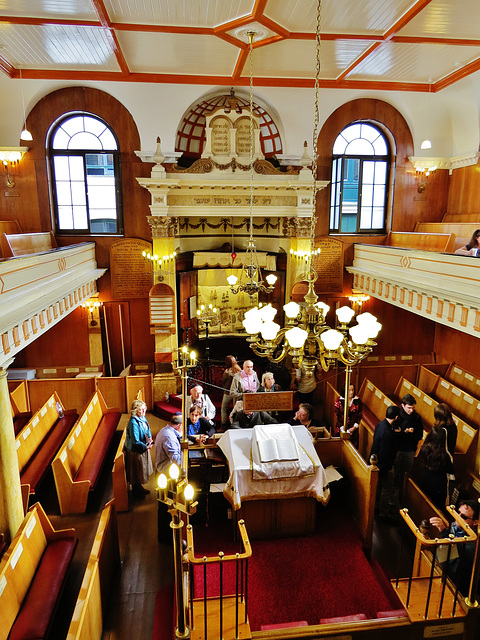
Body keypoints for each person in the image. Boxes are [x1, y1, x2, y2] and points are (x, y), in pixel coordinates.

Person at [429, 500, 479, 595]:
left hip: (456, 585)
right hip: (442, 570)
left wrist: (444, 532)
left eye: (463, 516)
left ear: (475, 522)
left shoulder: (473, 543)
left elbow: (459, 549)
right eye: (458, 512)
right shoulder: (455, 526)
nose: (458, 517)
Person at [155, 412, 183, 544]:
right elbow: (176, 460)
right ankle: (166, 537)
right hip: (165, 476)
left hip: (164, 473)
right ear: (179, 425)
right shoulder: (169, 437)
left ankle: (167, 535)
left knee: (166, 506)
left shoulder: (166, 430)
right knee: (167, 507)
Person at [369, 405, 401, 520]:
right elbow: (386, 453)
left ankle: (376, 506)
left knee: (379, 487)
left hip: (376, 460)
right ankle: (384, 513)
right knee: (387, 489)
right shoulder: (388, 433)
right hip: (384, 465)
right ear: (396, 417)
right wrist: (387, 468)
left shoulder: (381, 424)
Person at [393, 393, 424, 501]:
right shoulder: (397, 416)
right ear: (403, 406)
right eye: (409, 408)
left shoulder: (416, 417)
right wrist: (403, 432)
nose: (411, 410)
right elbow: (392, 433)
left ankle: (402, 497)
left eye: (413, 408)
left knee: (405, 474)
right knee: (394, 473)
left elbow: (420, 435)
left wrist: (412, 432)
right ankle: (392, 497)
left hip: (410, 449)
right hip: (397, 449)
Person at [416, 426, 455, 510]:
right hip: (439, 485)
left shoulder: (424, 448)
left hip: (426, 478)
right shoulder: (444, 455)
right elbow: (450, 471)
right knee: (437, 507)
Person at [124, 399, 154, 499]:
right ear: (135, 410)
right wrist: (145, 446)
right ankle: (136, 490)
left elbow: (147, 428)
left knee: (141, 469)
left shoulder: (142, 418)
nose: (143, 411)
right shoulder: (133, 423)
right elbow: (135, 441)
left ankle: (139, 488)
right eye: (141, 410)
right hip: (135, 450)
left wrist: (149, 438)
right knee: (137, 471)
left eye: (144, 409)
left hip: (142, 446)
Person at [334, 383, 363, 447]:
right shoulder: (339, 400)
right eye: (349, 390)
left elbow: (359, 415)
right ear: (344, 390)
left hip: (353, 430)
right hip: (341, 429)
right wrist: (343, 429)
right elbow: (337, 416)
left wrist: (353, 428)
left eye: (352, 390)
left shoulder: (357, 400)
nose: (351, 392)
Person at [220, 355, 241, 430]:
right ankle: (235, 424)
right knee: (236, 409)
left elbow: (223, 381)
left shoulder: (227, 371)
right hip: (237, 393)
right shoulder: (239, 370)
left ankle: (223, 426)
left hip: (228, 393)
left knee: (224, 409)